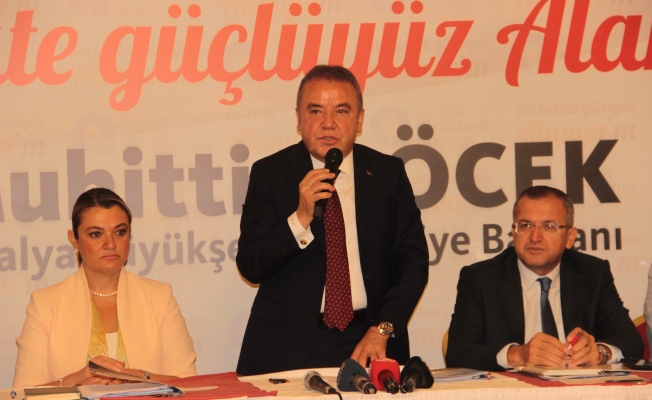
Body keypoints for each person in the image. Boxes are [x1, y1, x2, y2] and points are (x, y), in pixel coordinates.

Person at [235, 65, 429, 375]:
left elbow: (413, 262)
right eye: (315, 111)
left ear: (359, 119)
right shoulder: (270, 174)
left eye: (341, 111)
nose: (328, 123)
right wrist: (300, 217)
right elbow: (251, 266)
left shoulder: (387, 174)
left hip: (370, 339)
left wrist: (382, 330)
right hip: (289, 344)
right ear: (299, 119)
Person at [13, 188, 197, 387]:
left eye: (120, 232)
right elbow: (23, 394)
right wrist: (78, 377)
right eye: (96, 234)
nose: (110, 244)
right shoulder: (45, 304)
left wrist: (133, 376)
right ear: (74, 239)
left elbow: (190, 384)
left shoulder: (159, 297)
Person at [446, 186, 643, 371]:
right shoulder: (480, 278)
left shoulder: (592, 273)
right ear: (514, 233)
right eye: (526, 225)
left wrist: (600, 352)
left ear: (570, 237)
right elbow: (458, 353)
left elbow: (631, 341)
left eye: (549, 226)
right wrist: (517, 355)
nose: (535, 237)